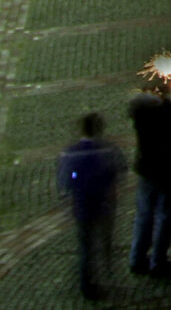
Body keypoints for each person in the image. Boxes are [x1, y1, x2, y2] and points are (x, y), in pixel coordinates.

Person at [57, 113, 123, 301]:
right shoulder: (108, 150)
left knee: (85, 246)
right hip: (104, 205)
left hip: (82, 206)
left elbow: (64, 181)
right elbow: (119, 171)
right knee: (106, 243)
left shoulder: (70, 153)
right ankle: (109, 274)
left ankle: (87, 285)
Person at [128, 89, 171, 278]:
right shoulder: (166, 114)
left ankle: (136, 259)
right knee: (164, 216)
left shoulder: (140, 115)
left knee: (143, 216)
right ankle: (158, 262)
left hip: (145, 171)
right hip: (163, 173)